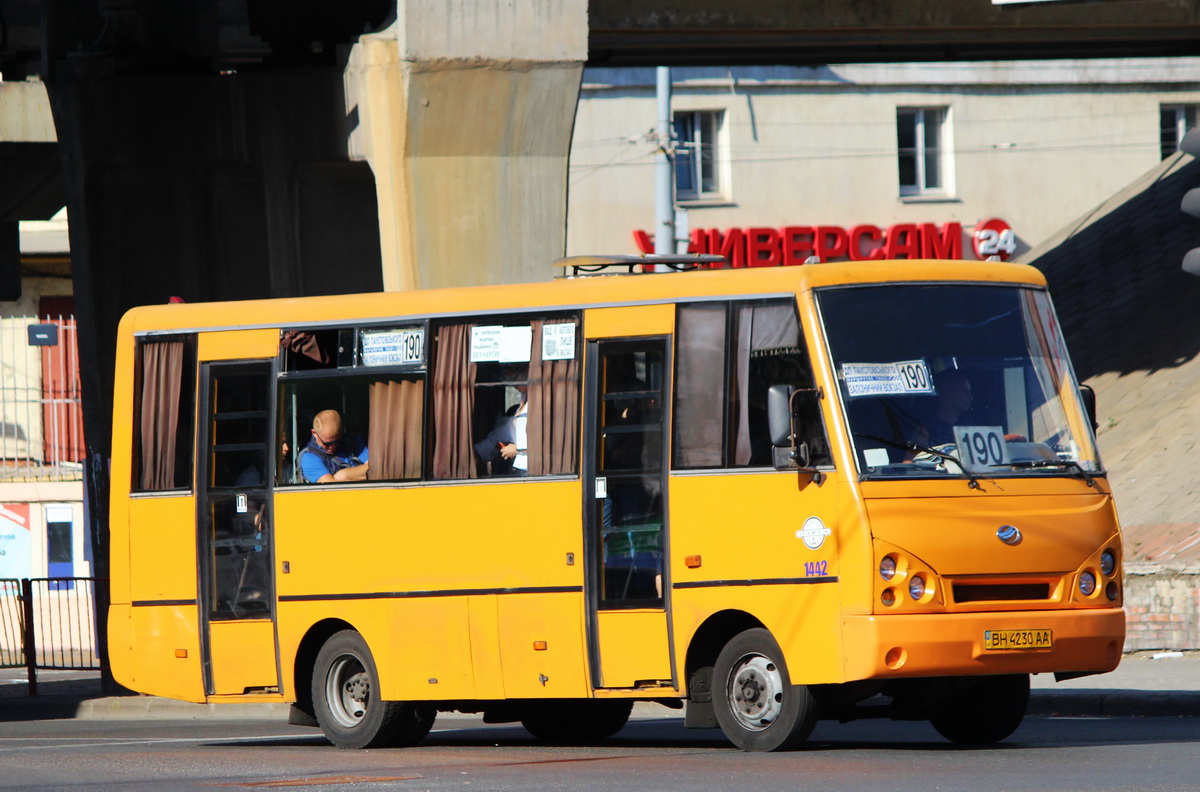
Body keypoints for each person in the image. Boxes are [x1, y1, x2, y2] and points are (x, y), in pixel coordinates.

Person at [299, 409, 369, 483]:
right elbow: (330, 487)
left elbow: (375, 469)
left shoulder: (352, 441)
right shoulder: (309, 457)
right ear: (314, 433)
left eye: (337, 441)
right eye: (327, 444)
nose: (332, 447)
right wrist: (361, 472)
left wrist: (343, 475)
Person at [474, 382, 529, 475]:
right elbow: (502, 434)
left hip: (535, 470)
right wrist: (477, 453)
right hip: (520, 468)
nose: (514, 383)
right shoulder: (523, 401)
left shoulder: (542, 404)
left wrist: (518, 449)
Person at [916, 370, 973, 447]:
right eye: (966, 392)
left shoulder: (969, 427)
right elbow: (913, 458)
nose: (970, 398)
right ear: (948, 394)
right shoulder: (925, 429)